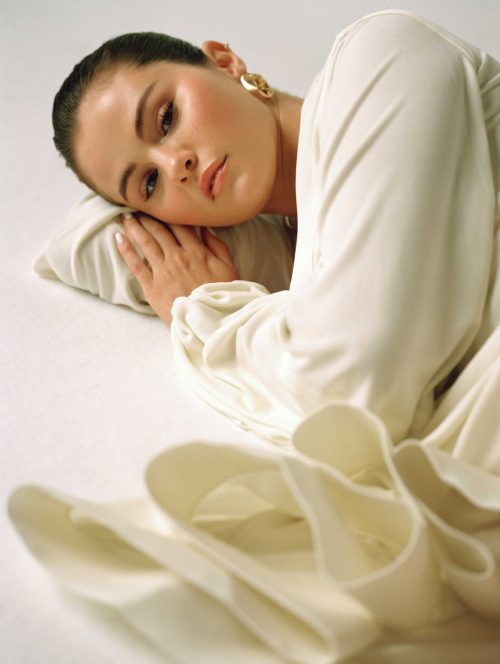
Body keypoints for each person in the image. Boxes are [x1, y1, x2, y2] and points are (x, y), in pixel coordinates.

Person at [52, 9, 500, 447]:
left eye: (167, 118)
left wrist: (208, 312)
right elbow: (74, 243)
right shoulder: (296, 252)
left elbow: (362, 383)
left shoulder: (382, 53)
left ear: (226, 63)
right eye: (149, 183)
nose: (175, 164)